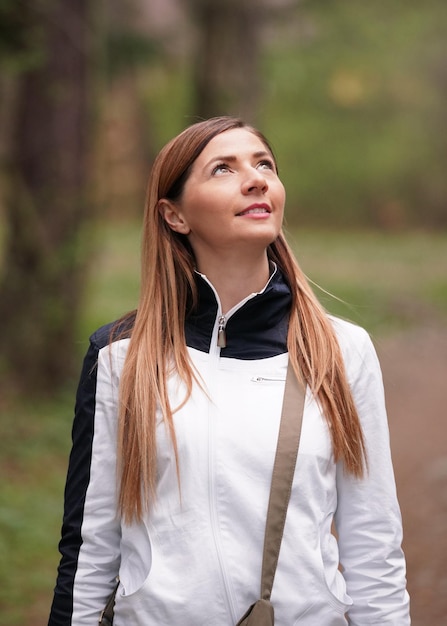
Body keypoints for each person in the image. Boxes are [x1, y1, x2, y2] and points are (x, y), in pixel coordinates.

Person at [48, 116, 410, 625]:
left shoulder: (340, 350)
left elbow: (373, 542)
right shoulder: (120, 357)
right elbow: (90, 546)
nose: (257, 178)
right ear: (174, 216)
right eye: (223, 168)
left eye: (265, 164)